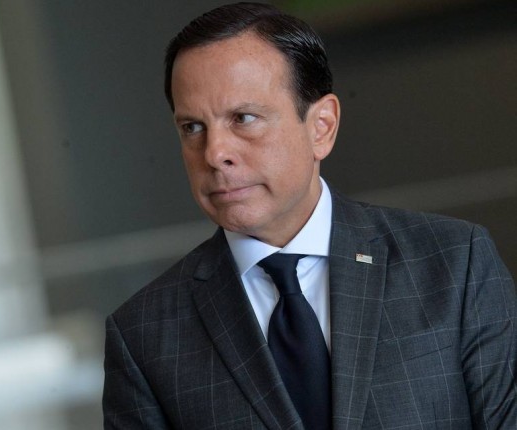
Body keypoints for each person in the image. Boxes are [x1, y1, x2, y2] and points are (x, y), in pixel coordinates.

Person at [102, 2, 516, 429]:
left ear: (321, 127)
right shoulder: (143, 335)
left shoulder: (454, 263)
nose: (214, 153)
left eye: (244, 118)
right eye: (192, 127)